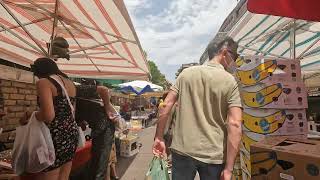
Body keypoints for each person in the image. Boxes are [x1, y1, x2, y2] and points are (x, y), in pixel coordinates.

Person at [153, 37, 243, 180]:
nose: (235, 61)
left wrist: (159, 137)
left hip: (183, 150)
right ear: (225, 53)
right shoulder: (230, 81)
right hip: (213, 155)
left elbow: (166, 105)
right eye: (235, 56)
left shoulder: (186, 74)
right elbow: (235, 123)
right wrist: (228, 168)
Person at [28, 57, 78, 180]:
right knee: (64, 175)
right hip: (71, 132)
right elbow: (72, 111)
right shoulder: (70, 83)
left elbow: (48, 115)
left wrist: (32, 115)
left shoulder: (44, 82)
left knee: (51, 175)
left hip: (54, 136)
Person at [75, 79, 117, 180]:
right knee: (96, 161)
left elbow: (103, 90)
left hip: (105, 127)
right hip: (97, 129)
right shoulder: (69, 95)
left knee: (100, 163)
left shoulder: (76, 89)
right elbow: (81, 121)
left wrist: (107, 107)